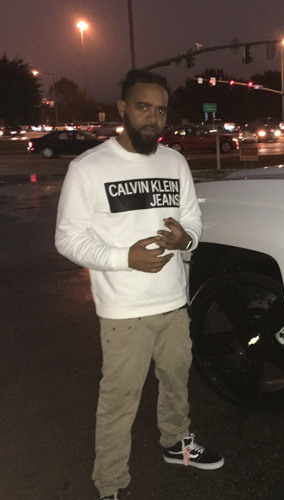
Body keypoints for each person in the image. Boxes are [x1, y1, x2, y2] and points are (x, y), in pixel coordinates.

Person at [55, 69, 224, 500]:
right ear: (122, 108)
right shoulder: (88, 167)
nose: (153, 118)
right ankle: (110, 484)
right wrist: (123, 258)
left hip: (173, 303)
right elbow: (67, 238)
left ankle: (176, 443)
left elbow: (193, 218)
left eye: (161, 110)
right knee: (119, 400)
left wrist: (186, 239)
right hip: (124, 312)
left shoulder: (174, 162)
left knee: (177, 383)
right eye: (143, 107)